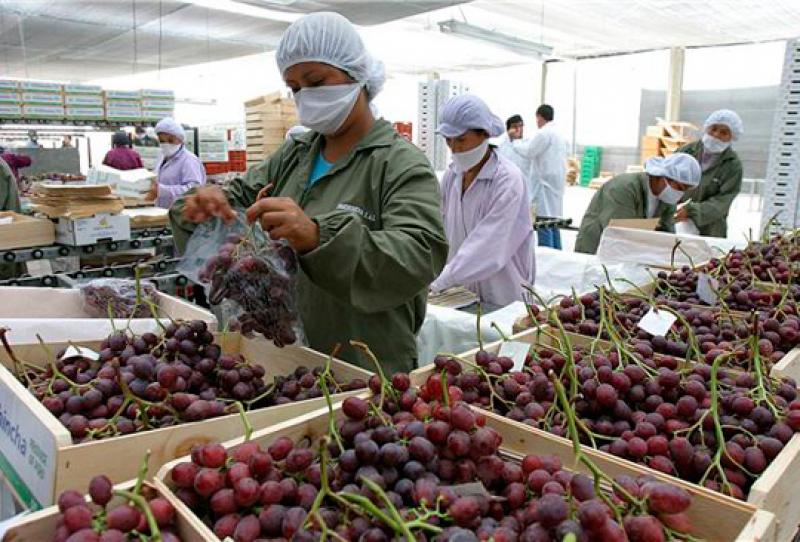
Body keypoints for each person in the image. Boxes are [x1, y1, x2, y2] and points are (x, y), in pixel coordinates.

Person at [169, 12, 448, 373]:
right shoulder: (295, 155)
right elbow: (233, 200)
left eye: (316, 81)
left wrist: (318, 237)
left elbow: (419, 253)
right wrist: (202, 205)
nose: (305, 95)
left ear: (356, 73)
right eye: (296, 87)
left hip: (364, 366)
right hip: (282, 359)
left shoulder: (398, 164)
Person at [430, 94, 534, 307]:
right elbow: (438, 230)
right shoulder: (452, 176)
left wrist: (440, 280)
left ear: (484, 134)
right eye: (448, 140)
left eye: (461, 140)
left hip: (503, 297)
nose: (454, 148)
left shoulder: (507, 181)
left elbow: (488, 245)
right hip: (461, 295)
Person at [575, 153, 702, 255]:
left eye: (685, 190)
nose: (680, 194)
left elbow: (666, 236)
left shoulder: (666, 199)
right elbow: (619, 234)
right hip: (597, 249)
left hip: (630, 253)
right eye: (679, 187)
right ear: (663, 177)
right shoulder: (623, 188)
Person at [675, 109, 744, 238]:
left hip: (711, 228)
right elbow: (668, 179)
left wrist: (691, 211)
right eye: (713, 129)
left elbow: (723, 201)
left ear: (732, 137)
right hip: (677, 219)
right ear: (707, 127)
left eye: (724, 132)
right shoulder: (686, 151)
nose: (716, 134)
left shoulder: (732, 165)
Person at [509, 104, 567, 249]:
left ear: (539, 117)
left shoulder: (543, 134)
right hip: (555, 184)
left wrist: (515, 141)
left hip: (544, 184)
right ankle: (557, 256)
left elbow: (529, 151)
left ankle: (548, 257)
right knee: (554, 222)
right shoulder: (559, 134)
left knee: (543, 222)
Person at [149, 117, 206, 208]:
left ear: (180, 139)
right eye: (162, 141)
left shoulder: (189, 160)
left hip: (180, 215)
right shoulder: (162, 156)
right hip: (163, 212)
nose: (166, 144)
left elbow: (194, 190)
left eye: (171, 140)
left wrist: (163, 191)